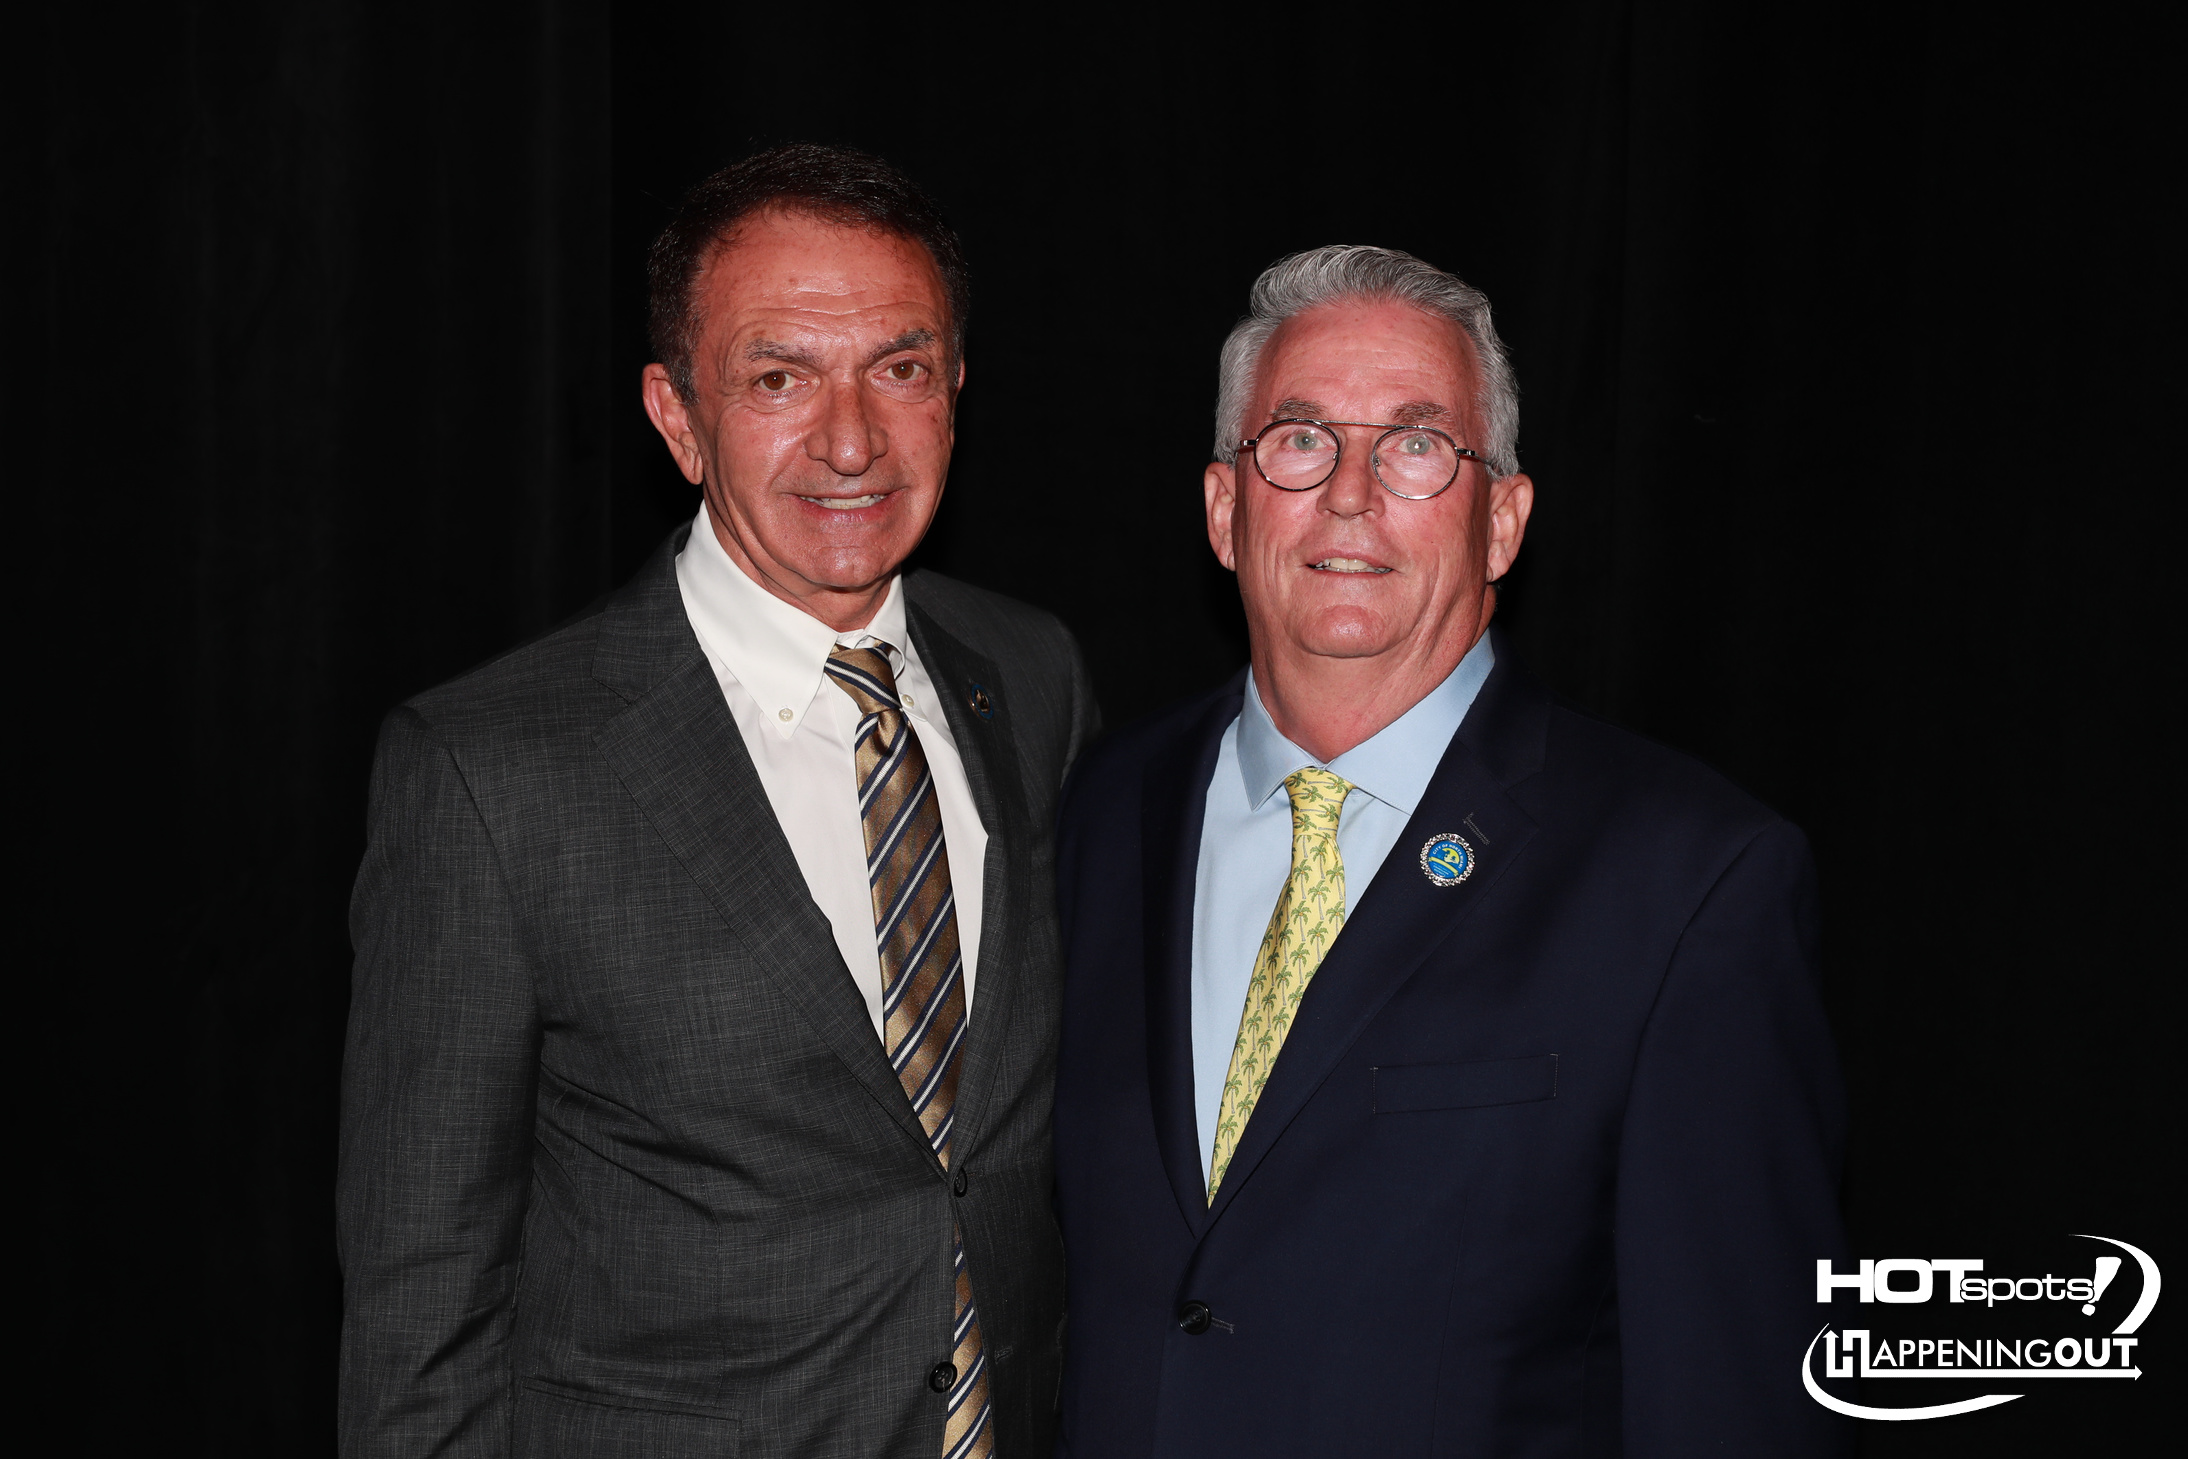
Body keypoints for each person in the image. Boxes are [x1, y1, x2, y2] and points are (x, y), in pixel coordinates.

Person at [339, 144, 1097, 1458]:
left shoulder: (1033, 678)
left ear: (956, 389)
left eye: (899, 368)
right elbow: (422, 1316)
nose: (851, 439)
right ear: (677, 415)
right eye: (778, 377)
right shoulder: (489, 767)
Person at [1051, 245, 1850, 1455]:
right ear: (1223, 507)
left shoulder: (1690, 882)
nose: (1351, 492)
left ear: (1502, 522)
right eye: (1301, 439)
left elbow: (1736, 1404)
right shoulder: (1105, 807)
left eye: (1417, 445)